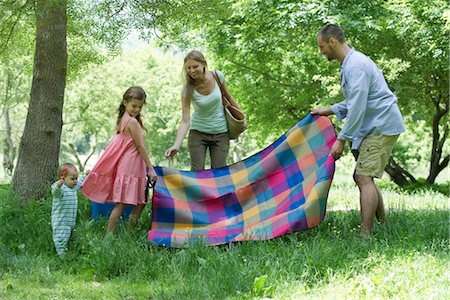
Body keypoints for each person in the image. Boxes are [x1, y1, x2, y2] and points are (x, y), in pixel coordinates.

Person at [311, 24, 405, 238]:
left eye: (322, 46)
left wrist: (341, 139)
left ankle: (366, 234)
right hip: (375, 125)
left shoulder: (355, 66)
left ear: (333, 42)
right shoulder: (350, 64)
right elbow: (357, 100)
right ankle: (382, 224)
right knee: (365, 177)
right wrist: (331, 109)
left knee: (363, 177)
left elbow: (358, 107)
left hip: (381, 125)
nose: (321, 51)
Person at [82, 86, 157, 232]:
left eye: (140, 107)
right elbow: (140, 147)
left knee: (128, 203)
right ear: (125, 103)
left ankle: (116, 234)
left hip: (128, 164)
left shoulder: (123, 119)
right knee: (133, 202)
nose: (137, 109)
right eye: (134, 106)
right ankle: (123, 233)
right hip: (131, 166)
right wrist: (151, 169)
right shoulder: (132, 122)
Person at [164, 50, 244, 170]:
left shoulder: (218, 76)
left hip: (221, 133)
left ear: (204, 64)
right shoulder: (187, 89)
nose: (192, 70)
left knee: (219, 172)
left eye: (195, 66)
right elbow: (185, 121)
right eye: (188, 68)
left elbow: (229, 98)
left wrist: (241, 120)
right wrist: (176, 145)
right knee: (197, 172)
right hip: (198, 133)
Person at [51, 163, 89, 256]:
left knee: (69, 236)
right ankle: (62, 255)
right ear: (62, 178)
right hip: (61, 220)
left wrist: (87, 175)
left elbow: (81, 181)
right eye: (72, 179)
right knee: (61, 237)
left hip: (70, 220)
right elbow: (55, 193)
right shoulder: (61, 188)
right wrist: (58, 186)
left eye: (76, 178)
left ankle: (69, 250)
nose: (75, 181)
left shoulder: (73, 186)